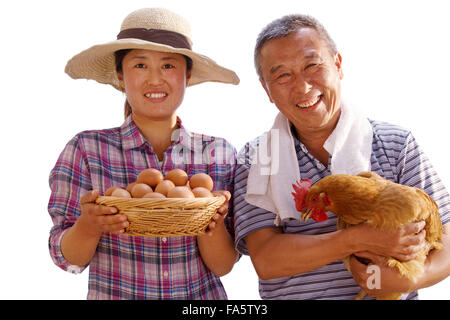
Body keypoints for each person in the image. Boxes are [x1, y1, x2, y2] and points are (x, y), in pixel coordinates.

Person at [233, 14, 450, 299]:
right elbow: (266, 259)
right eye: (283, 75)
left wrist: (409, 278)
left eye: (312, 65)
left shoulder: (397, 144)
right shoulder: (255, 159)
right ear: (267, 89)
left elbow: (446, 237)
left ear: (338, 65)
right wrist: (358, 238)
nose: (303, 87)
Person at [48, 8, 240, 300]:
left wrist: (207, 222)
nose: (154, 79)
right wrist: (89, 226)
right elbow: (66, 259)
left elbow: (224, 266)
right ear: (120, 75)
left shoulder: (218, 153)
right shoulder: (87, 150)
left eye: (168, 66)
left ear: (187, 75)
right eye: (140, 65)